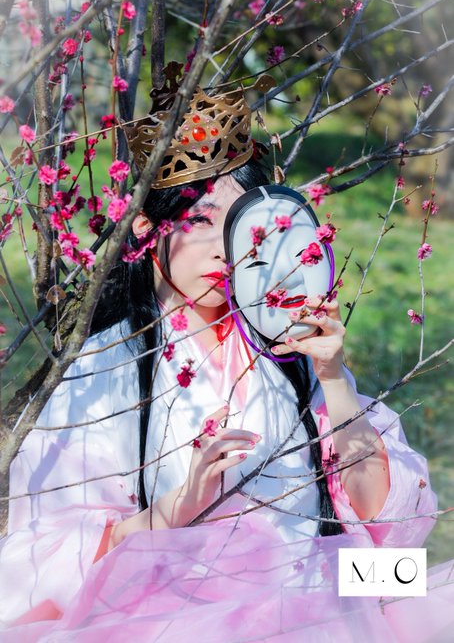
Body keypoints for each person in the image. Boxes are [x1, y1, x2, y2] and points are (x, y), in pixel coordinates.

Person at [0, 68, 453, 642]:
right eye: (199, 220)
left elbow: (387, 529)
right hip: (171, 605)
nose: (224, 248)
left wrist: (334, 377)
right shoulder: (100, 373)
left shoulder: (284, 344)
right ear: (146, 230)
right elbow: (40, 564)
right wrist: (176, 509)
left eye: (240, 225)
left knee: (420, 588)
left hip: (316, 584)